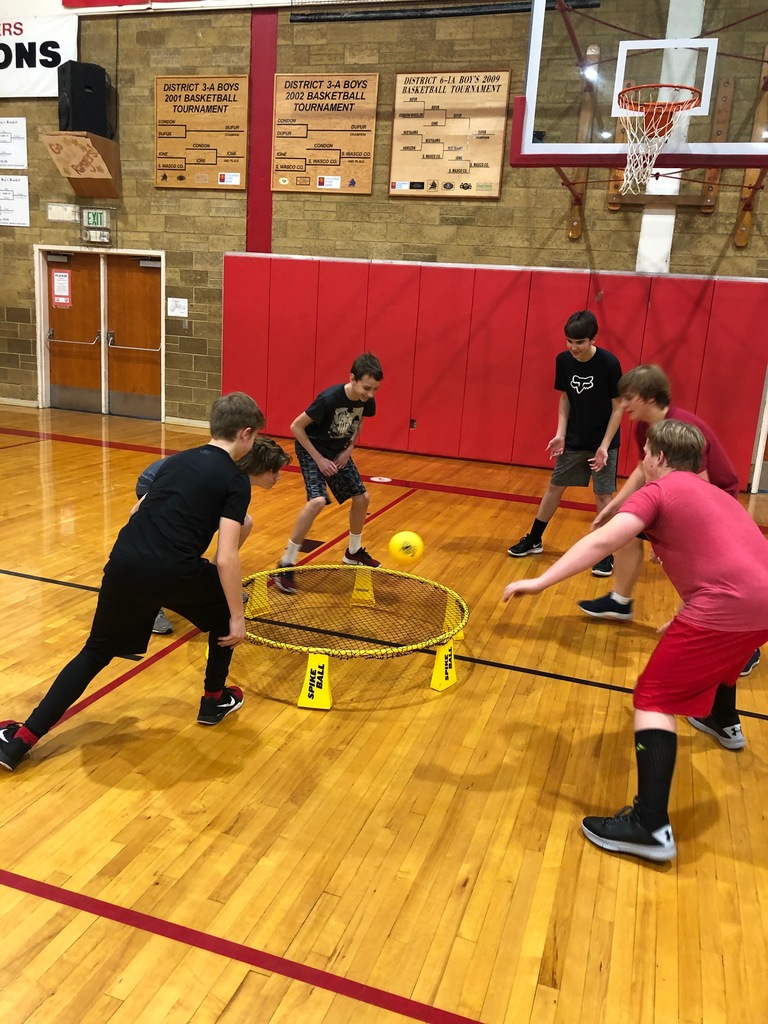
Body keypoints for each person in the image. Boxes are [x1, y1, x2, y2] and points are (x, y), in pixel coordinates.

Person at [503, 420, 768, 862]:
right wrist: (691, 613)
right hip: (761, 604)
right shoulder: (717, 497)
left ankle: (649, 826)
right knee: (725, 652)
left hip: (726, 604)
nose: (642, 462)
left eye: (645, 454)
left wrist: (541, 581)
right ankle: (724, 720)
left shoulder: (659, 490)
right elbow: (734, 558)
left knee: (654, 699)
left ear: (659, 458)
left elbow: (602, 541)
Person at [0, 396, 289, 773]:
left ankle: (21, 740)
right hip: (174, 570)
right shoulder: (235, 480)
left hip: (124, 562)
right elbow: (226, 557)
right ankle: (214, 699)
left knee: (95, 652)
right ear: (246, 434)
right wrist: (238, 615)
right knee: (221, 617)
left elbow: (138, 510)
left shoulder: (178, 460)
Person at [576, 364, 760, 678]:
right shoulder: (644, 425)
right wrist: (615, 506)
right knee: (627, 529)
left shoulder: (682, 429)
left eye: (629, 398)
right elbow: (641, 469)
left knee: (703, 570)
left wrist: (673, 535)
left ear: (649, 397)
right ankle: (620, 600)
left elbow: (698, 490)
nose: (623, 405)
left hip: (714, 495)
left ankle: (744, 644)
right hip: (680, 492)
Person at [507, 310, 623, 578]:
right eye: (569, 341)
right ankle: (534, 539)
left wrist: (605, 446)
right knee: (554, 487)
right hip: (574, 440)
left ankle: (606, 553)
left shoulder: (609, 363)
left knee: (603, 496)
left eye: (579, 342)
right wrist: (560, 433)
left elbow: (618, 407)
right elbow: (565, 399)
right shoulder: (564, 360)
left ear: (593, 339)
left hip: (602, 442)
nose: (573, 347)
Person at [275, 352, 384, 595]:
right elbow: (296, 427)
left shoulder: (367, 400)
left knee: (362, 498)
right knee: (316, 501)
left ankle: (353, 552)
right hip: (311, 449)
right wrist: (319, 459)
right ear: (352, 378)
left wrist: (350, 448)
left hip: (337, 451)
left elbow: (360, 422)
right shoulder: (329, 398)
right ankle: (286, 564)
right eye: (367, 388)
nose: (370, 394)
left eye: (375, 389)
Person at [136, 456, 260, 636]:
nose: (279, 476)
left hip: (183, 487)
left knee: (244, 522)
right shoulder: (222, 475)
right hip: (152, 483)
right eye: (275, 470)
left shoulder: (236, 479)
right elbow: (137, 511)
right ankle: (149, 604)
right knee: (179, 544)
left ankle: (218, 584)